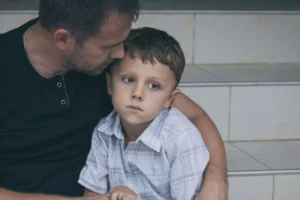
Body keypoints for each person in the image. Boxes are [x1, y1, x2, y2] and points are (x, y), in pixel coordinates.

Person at [0, 0, 227, 200]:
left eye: (122, 41)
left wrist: (216, 178)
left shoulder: (108, 66)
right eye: (108, 46)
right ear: (63, 39)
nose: (120, 54)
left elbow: (194, 115)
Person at [78, 27, 210, 200]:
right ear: (110, 85)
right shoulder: (104, 132)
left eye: (154, 86)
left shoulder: (181, 139)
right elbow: (91, 194)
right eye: (128, 79)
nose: (137, 93)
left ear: (169, 99)